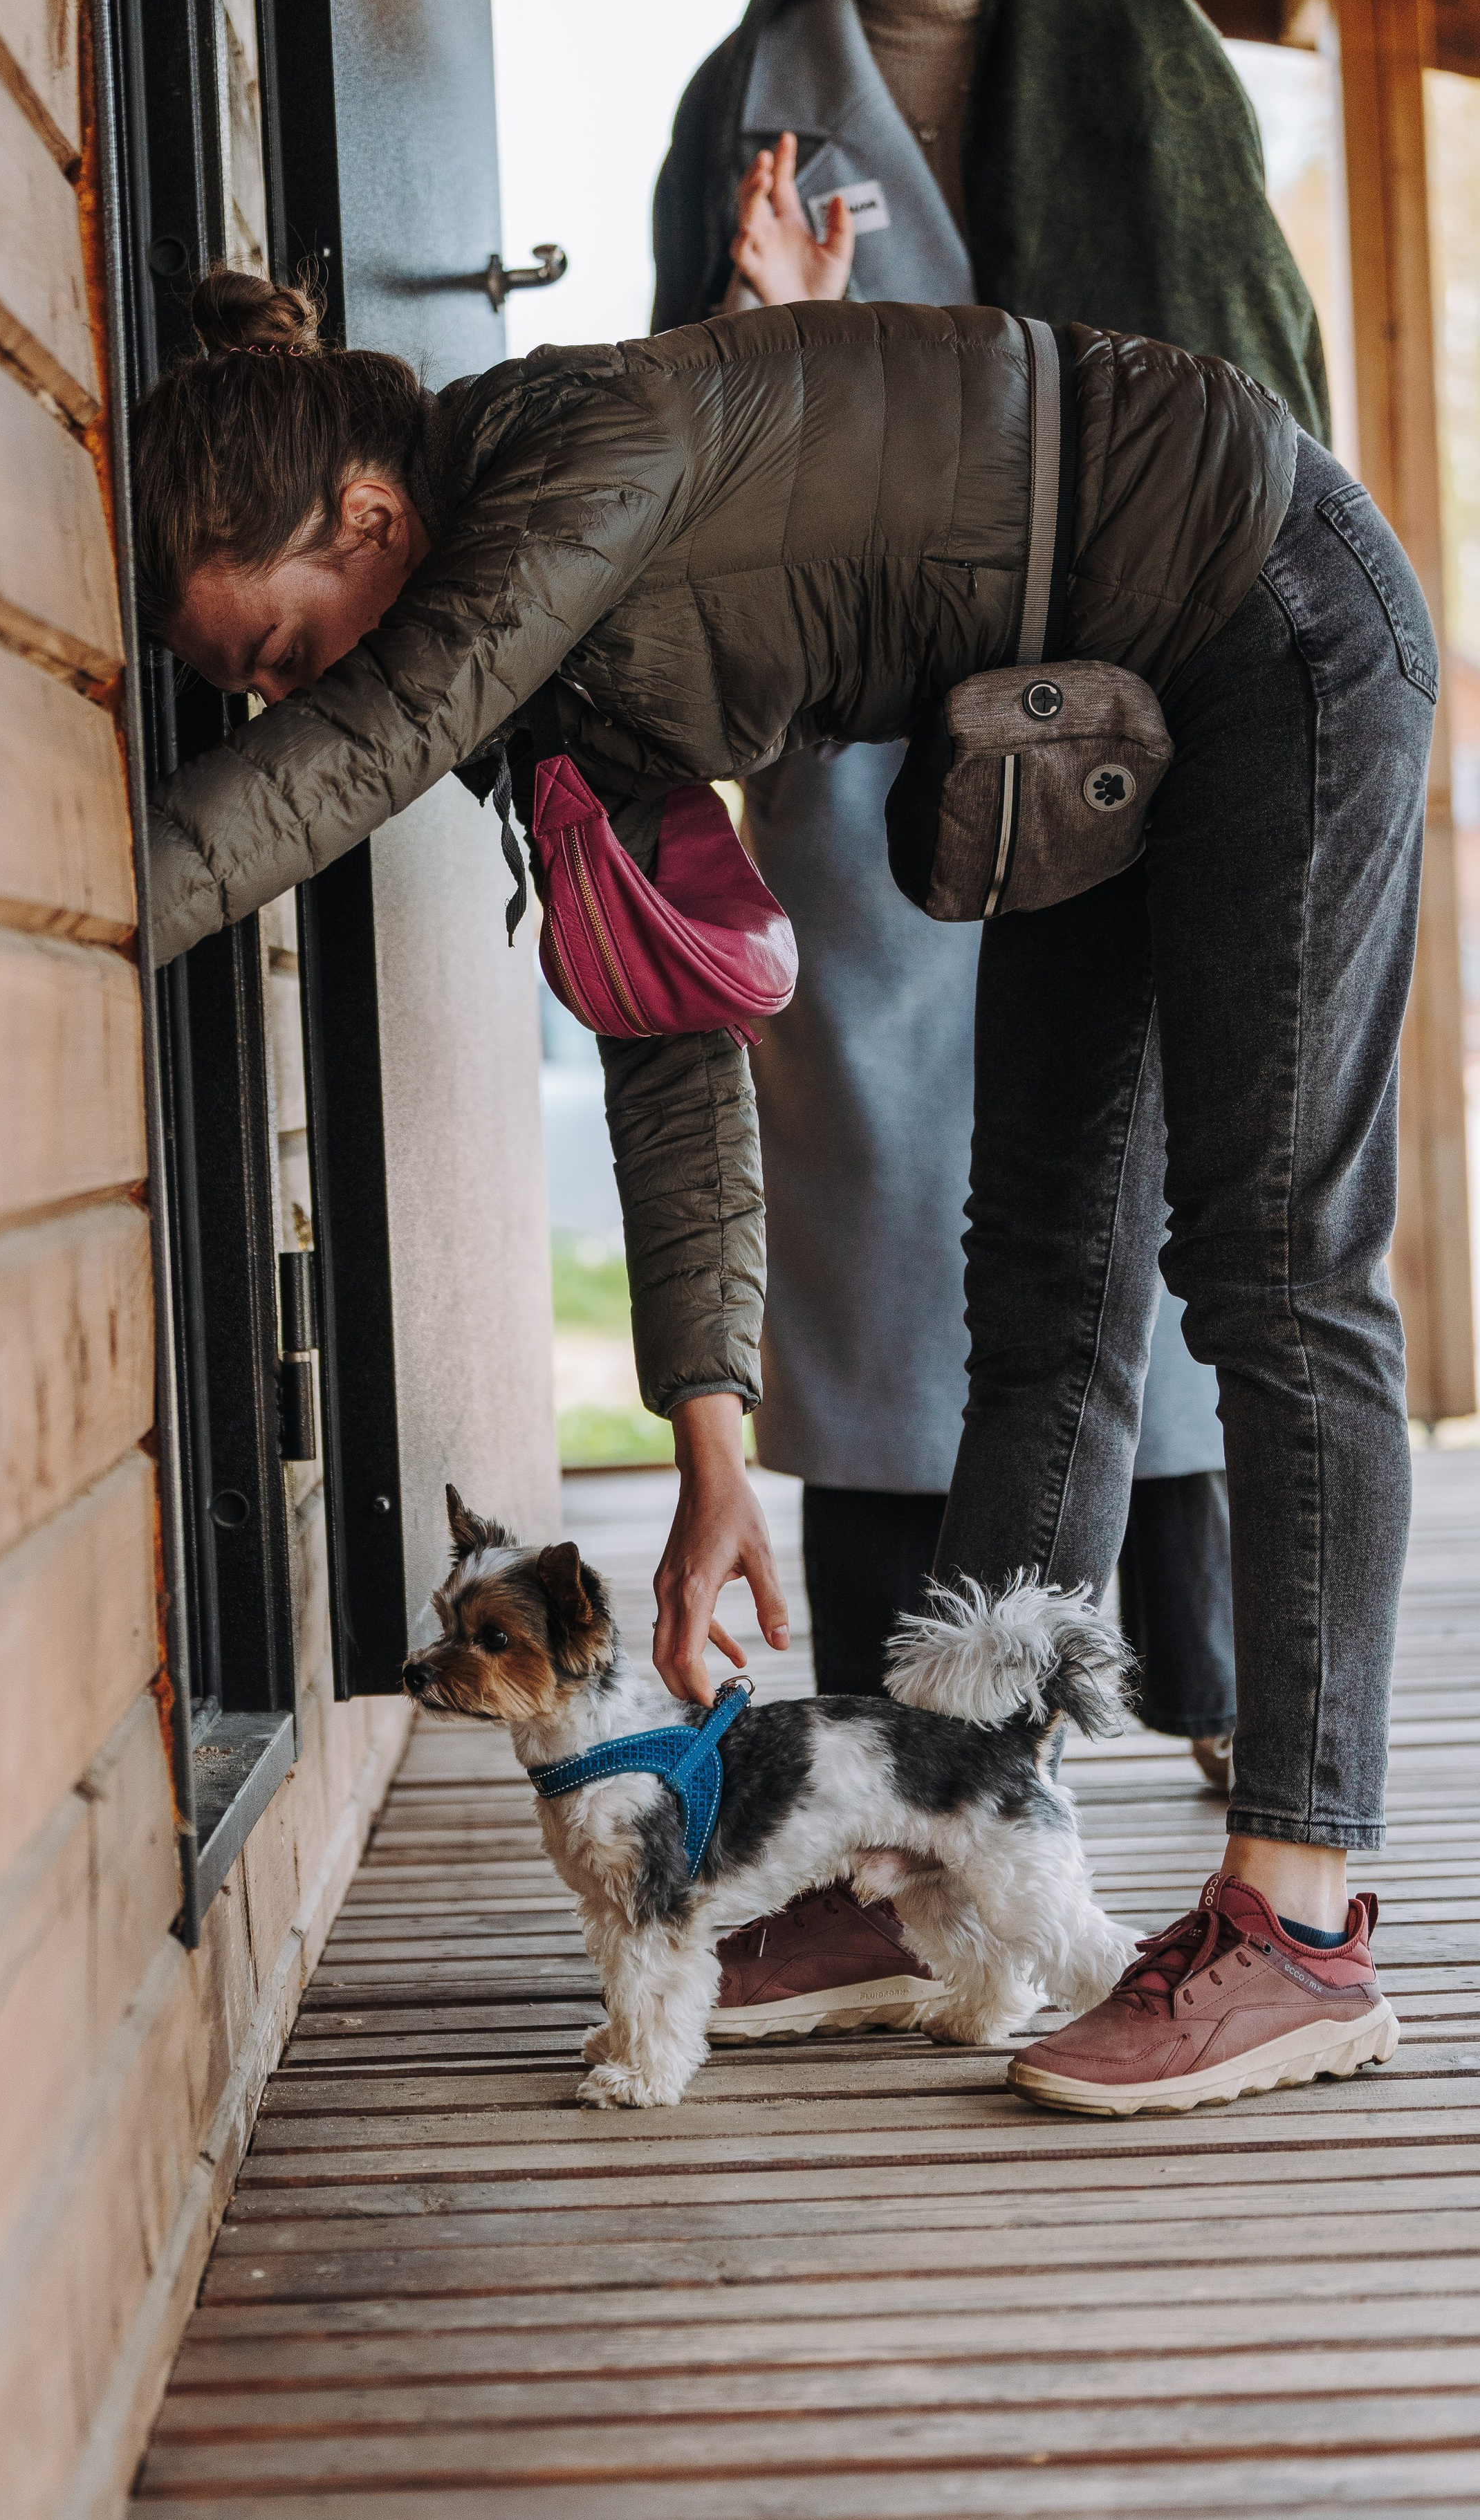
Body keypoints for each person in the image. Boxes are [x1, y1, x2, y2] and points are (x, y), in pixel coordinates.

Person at [139, 266, 1430, 2115]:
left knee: (1276, 1263)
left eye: (274, 650)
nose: (281, 699)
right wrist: (712, 1451)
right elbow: (671, 1035)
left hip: (1270, 613)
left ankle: (1301, 1920)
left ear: (368, 519)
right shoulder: (547, 688)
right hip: (1099, 715)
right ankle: (916, 1870)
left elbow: (368, 742)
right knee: (1049, 1271)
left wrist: (69, 912)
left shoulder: (580, 453)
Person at [650, 0, 1335, 1821]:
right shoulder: (744, 82)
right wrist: (771, 337)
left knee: (1141, 1150)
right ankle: (892, 1720)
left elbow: (1254, 374)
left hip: (1114, 688)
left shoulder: (1145, 50)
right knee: (872, 1188)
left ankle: (1198, 1668)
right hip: (865, 715)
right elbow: (674, 421)